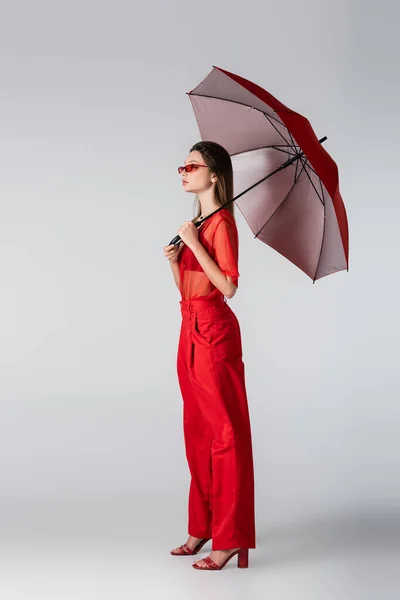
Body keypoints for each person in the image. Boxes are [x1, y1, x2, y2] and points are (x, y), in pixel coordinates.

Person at [163, 141, 256, 571]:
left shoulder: (221, 224)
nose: (183, 171)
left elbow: (230, 287)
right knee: (196, 433)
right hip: (189, 327)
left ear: (214, 174)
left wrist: (193, 245)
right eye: (183, 165)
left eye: (192, 166)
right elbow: (190, 289)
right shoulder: (200, 222)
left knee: (225, 435)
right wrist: (173, 260)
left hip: (214, 333)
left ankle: (230, 538)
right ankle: (202, 528)